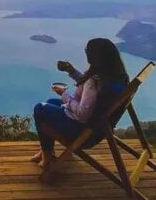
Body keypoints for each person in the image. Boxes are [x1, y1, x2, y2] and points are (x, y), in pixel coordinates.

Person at [29, 38, 130, 170]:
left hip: (81, 131)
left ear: (95, 57)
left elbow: (83, 114)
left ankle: (47, 155)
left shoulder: (95, 80)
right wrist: (72, 71)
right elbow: (90, 91)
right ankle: (46, 151)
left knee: (40, 108)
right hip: (96, 129)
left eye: (87, 51)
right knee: (50, 103)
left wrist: (64, 95)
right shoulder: (115, 78)